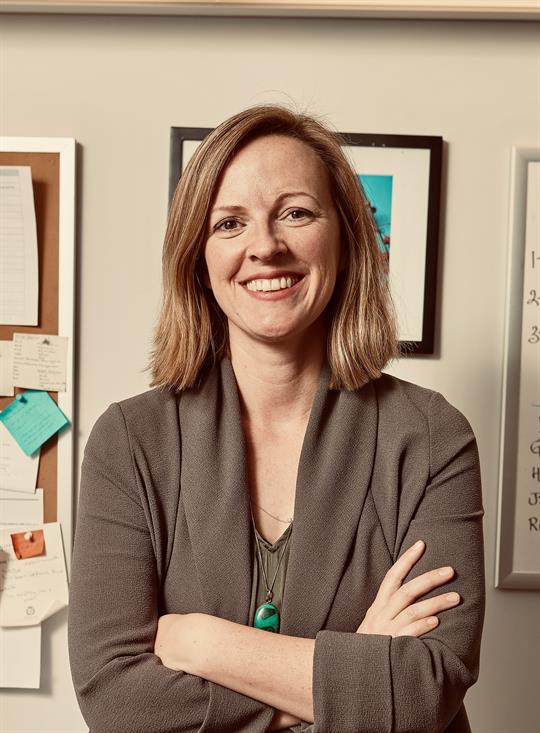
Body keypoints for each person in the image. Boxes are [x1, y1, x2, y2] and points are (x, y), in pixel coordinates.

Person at [68, 104, 485, 733]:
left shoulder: (429, 436)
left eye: (296, 212)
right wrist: (353, 675)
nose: (265, 246)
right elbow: (115, 699)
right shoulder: (130, 442)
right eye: (230, 223)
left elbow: (426, 690)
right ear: (199, 263)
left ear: (345, 242)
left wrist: (203, 644)